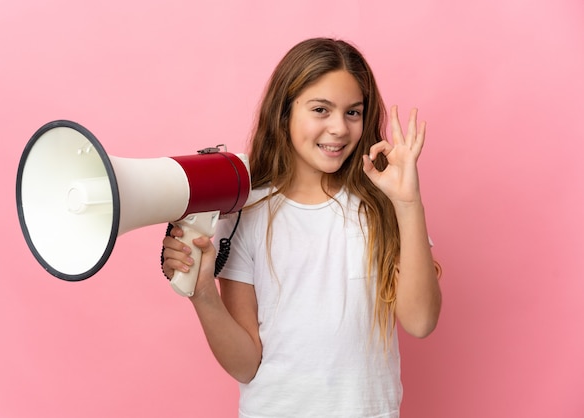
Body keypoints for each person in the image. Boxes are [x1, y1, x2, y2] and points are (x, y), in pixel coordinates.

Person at [161, 37, 442, 418]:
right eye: (321, 110)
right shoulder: (245, 212)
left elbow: (421, 321)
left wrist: (408, 205)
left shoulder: (384, 205)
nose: (339, 128)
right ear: (285, 113)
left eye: (353, 113)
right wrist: (202, 292)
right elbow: (246, 364)